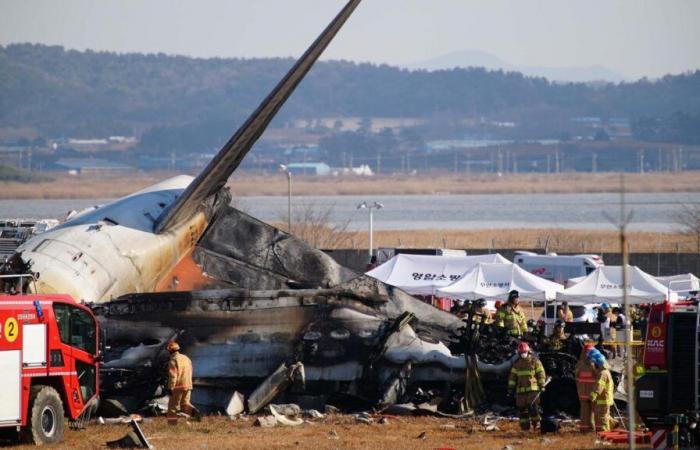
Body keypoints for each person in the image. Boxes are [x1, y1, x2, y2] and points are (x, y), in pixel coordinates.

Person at [508, 342, 546, 431]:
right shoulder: (517, 364)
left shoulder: (535, 362)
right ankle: (525, 428)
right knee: (522, 410)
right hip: (521, 392)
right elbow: (512, 378)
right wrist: (510, 389)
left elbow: (541, 374)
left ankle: (536, 426)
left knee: (533, 409)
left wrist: (542, 385)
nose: (523, 354)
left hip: (533, 390)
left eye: (524, 352)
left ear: (528, 351)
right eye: (521, 353)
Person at [166, 341, 196, 424]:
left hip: (178, 386)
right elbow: (190, 371)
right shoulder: (186, 358)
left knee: (172, 407)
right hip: (188, 384)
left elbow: (173, 376)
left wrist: (170, 388)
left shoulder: (173, 361)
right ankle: (195, 413)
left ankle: (172, 425)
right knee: (185, 404)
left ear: (170, 351)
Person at [588, 348, 614, 432]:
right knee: (604, 416)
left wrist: (593, 395)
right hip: (603, 400)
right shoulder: (604, 372)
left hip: (603, 400)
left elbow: (599, 386)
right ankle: (612, 424)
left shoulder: (603, 374)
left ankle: (604, 433)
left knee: (602, 418)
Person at [575, 343, 596, 433]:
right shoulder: (594, 363)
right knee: (594, 411)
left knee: (585, 412)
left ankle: (584, 429)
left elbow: (576, 377)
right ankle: (591, 428)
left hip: (583, 392)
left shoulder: (579, 364)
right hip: (592, 392)